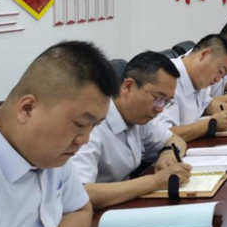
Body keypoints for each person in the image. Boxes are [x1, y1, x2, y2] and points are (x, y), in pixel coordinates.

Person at [0, 41, 151, 227]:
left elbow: (80, 210)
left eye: (95, 126)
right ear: (27, 108)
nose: (85, 139)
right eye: (80, 124)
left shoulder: (46, 149)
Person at [71, 51, 193, 209]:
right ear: (128, 87)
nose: (160, 109)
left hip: (127, 202)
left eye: (166, 101)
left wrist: (168, 152)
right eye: (158, 98)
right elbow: (80, 194)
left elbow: (175, 139)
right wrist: (156, 181)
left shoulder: (139, 117)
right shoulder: (92, 125)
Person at [154, 34, 227, 142]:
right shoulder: (167, 79)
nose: (218, 80)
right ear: (204, 55)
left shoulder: (200, 77)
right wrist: (210, 125)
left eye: (223, 76)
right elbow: (163, 135)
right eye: (220, 71)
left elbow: (206, 105)